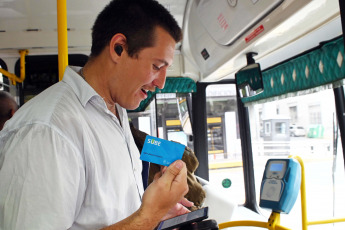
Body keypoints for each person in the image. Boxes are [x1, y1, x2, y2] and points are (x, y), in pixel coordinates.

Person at [0, 0, 192, 229]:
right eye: (157, 67)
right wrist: (148, 216)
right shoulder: (47, 130)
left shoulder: (116, 111)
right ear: (119, 48)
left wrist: (157, 212)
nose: (161, 83)